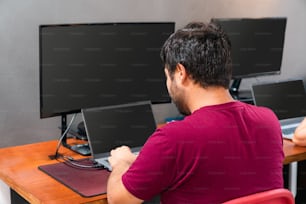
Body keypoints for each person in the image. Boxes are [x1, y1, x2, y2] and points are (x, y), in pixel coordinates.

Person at [106, 21, 284, 204]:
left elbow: (118, 200)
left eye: (168, 76)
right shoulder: (269, 121)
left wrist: (122, 162)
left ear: (180, 73)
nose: (168, 85)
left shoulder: (172, 139)